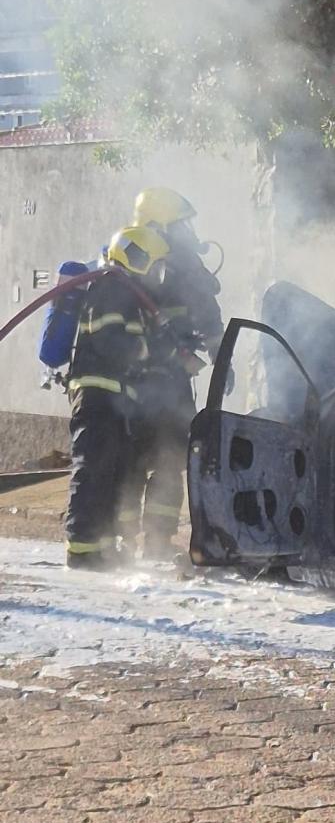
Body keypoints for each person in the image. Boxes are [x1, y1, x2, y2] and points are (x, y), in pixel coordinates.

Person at [118, 188, 224, 561]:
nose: (186, 232)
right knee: (146, 460)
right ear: (158, 224)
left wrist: (219, 354)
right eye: (179, 225)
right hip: (148, 381)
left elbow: (206, 313)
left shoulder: (164, 263)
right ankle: (138, 542)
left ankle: (145, 542)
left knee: (158, 459)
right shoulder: (140, 260)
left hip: (156, 381)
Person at [63, 228, 169, 570]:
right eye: (155, 265)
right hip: (96, 392)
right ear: (137, 258)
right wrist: (146, 350)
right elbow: (111, 342)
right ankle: (81, 549)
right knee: (93, 469)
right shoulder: (111, 289)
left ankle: (104, 548)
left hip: (116, 396)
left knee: (112, 472)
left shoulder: (129, 295)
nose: (157, 274)